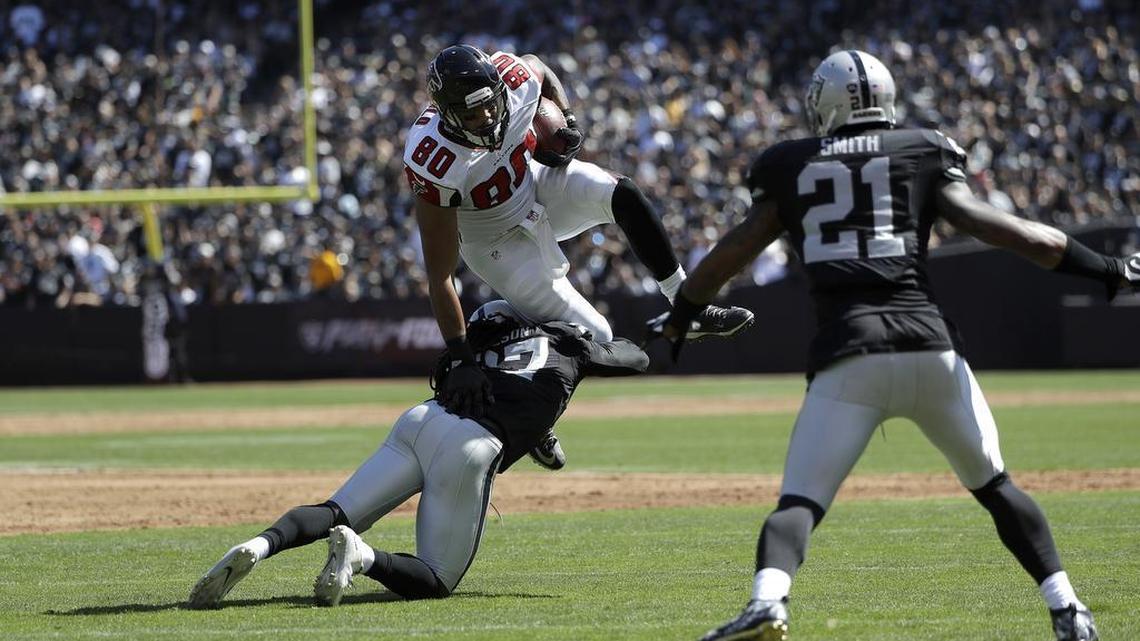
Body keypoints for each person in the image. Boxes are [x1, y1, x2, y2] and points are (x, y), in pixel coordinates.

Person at [648, 50, 1137, 641]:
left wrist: (681, 318)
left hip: (849, 354)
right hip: (929, 346)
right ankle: (1069, 611)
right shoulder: (921, 148)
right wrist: (1107, 267)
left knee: (798, 503)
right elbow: (1005, 230)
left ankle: (768, 602)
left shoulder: (789, 164)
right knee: (997, 486)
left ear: (822, 105)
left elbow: (729, 253)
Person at [403, 44, 755, 467]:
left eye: (492, 106)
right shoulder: (434, 159)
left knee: (621, 193)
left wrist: (566, 119)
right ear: (449, 114)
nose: (489, 119)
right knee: (596, 338)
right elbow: (440, 275)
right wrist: (460, 356)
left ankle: (685, 302)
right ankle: (524, 400)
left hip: (534, 186)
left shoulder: (513, 80)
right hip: (495, 239)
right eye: (473, 115)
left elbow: (539, 64)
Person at [187, 300, 650, 609]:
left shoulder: (470, 350)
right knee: (437, 578)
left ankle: (259, 544)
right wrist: (587, 342)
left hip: (420, 421)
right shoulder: (565, 343)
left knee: (335, 509)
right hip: (471, 445)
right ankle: (362, 557)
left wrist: (541, 432)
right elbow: (636, 357)